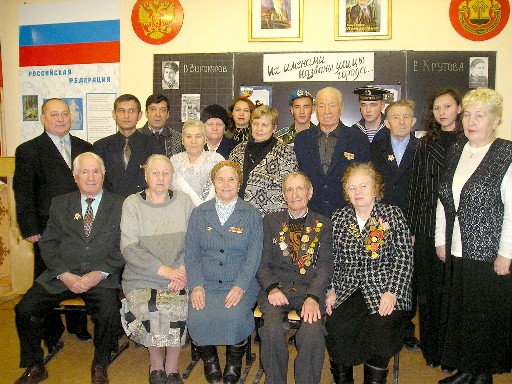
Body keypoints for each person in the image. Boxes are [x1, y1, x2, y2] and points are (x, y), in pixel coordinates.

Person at [14, 152, 125, 384]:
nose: (91, 176)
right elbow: (49, 242)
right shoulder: (60, 203)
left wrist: (99, 273)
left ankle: (101, 362)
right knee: (25, 309)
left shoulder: (121, 204)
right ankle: (35, 364)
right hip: (62, 275)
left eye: (96, 171)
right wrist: (65, 274)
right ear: (75, 177)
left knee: (109, 312)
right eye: (85, 172)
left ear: (104, 175)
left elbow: (124, 245)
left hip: (101, 276)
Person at [435, 88, 512, 384]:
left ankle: (482, 375)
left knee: (483, 315)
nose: (471, 121)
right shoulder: (458, 151)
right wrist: (440, 239)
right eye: (467, 114)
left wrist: (506, 253)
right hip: (458, 246)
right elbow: (445, 198)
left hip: (489, 252)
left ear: (495, 121)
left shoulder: (505, 153)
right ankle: (467, 370)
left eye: (479, 115)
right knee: (462, 311)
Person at [13, 98, 93, 350]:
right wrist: (29, 228)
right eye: (54, 115)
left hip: (82, 227)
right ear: (43, 119)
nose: (60, 119)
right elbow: (23, 192)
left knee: (78, 273)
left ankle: (78, 326)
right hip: (46, 230)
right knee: (48, 279)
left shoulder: (85, 147)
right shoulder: (29, 150)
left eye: (64, 114)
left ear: (71, 117)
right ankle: (51, 332)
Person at [326, 162, 413, 384]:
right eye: (352, 188)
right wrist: (331, 289)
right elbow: (331, 259)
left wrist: (392, 291)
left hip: (385, 288)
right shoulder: (338, 218)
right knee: (336, 328)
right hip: (348, 289)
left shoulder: (393, 215)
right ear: (346, 193)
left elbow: (404, 257)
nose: (358, 192)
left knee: (381, 327)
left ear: (376, 188)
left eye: (363, 186)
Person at [185, 161, 263, 384]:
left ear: (239, 183)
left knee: (235, 314)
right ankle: (210, 362)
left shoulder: (251, 215)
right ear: (214, 182)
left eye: (231, 179)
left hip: (240, 282)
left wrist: (240, 286)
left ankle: (233, 362)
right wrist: (197, 284)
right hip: (206, 282)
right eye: (220, 179)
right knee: (197, 315)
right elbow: (191, 253)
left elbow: (254, 256)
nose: (226, 184)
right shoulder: (200, 213)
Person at [120, 154, 195, 384]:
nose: (161, 178)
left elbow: (194, 242)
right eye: (155, 173)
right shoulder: (132, 204)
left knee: (178, 306)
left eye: (166, 173)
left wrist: (182, 271)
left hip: (180, 275)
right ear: (146, 175)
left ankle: (171, 367)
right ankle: (156, 362)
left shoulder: (184, 202)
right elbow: (129, 248)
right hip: (142, 276)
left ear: (172, 177)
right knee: (150, 306)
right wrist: (165, 271)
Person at [257, 171, 334, 384]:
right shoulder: (270, 222)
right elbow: (261, 262)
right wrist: (271, 288)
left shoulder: (323, 224)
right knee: (271, 329)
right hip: (276, 290)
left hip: (309, 290)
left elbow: (326, 266)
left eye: (300, 188)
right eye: (289, 189)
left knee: (312, 332)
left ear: (310, 192)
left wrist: (314, 297)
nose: (295, 194)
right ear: (283, 195)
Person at [406, 88, 463, 373]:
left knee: (454, 293)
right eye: (437, 108)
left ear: (459, 108)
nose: (442, 112)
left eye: (447, 106)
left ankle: (452, 352)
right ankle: (432, 349)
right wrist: (413, 228)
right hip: (428, 227)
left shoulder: (471, 142)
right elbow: (416, 188)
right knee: (429, 292)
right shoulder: (426, 144)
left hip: (461, 228)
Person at [294, 86, 371, 218]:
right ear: (315, 109)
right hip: (311, 215)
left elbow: (367, 179)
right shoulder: (302, 139)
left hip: (347, 216)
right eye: (321, 105)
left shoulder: (358, 138)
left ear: (341, 108)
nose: (327, 111)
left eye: (332, 105)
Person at [229, 105, 298, 216]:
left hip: (270, 219)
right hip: (238, 217)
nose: (259, 129)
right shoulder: (238, 151)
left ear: (274, 128)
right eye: (256, 124)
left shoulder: (285, 153)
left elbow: (290, 189)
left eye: (264, 125)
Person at [93, 94, 164, 198]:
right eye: (121, 111)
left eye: (131, 111)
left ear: (139, 115)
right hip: (111, 205)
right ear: (114, 114)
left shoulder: (153, 145)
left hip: (143, 204)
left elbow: (159, 180)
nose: (126, 116)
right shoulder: (101, 146)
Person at [170, 119, 224, 206]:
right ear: (182, 140)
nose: (193, 141)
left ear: (205, 139)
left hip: (211, 214)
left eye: (198, 136)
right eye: (189, 136)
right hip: (181, 214)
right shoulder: (174, 162)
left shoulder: (217, 160)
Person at [139, 94, 183, 158]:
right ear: (146, 113)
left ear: (167, 114)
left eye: (162, 110)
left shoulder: (178, 139)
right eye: (153, 109)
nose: (158, 114)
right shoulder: (136, 137)